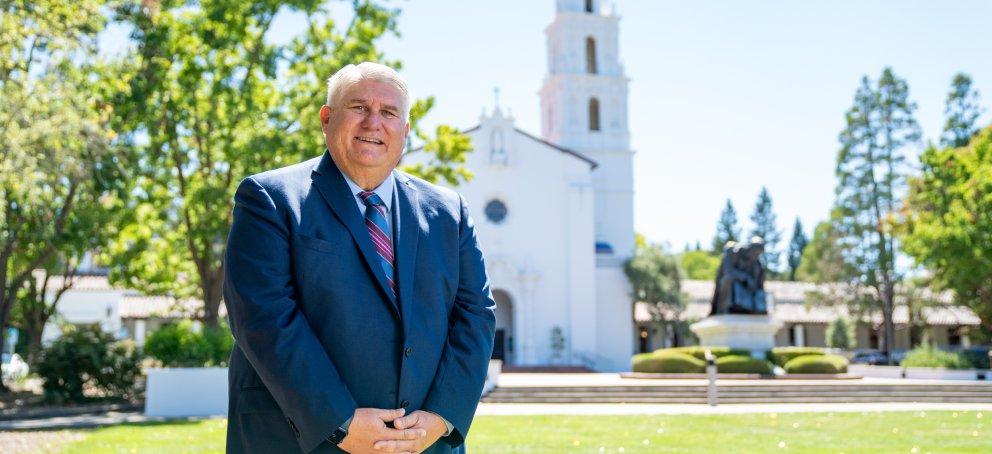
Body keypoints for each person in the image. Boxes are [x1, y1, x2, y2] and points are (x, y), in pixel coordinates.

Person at [223, 62, 496, 454]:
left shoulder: (448, 211)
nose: (373, 122)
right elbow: (264, 317)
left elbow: (476, 315)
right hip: (300, 438)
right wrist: (339, 422)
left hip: (423, 442)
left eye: (389, 113)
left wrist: (441, 416)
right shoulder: (269, 199)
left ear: (405, 130)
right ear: (326, 118)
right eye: (358, 107)